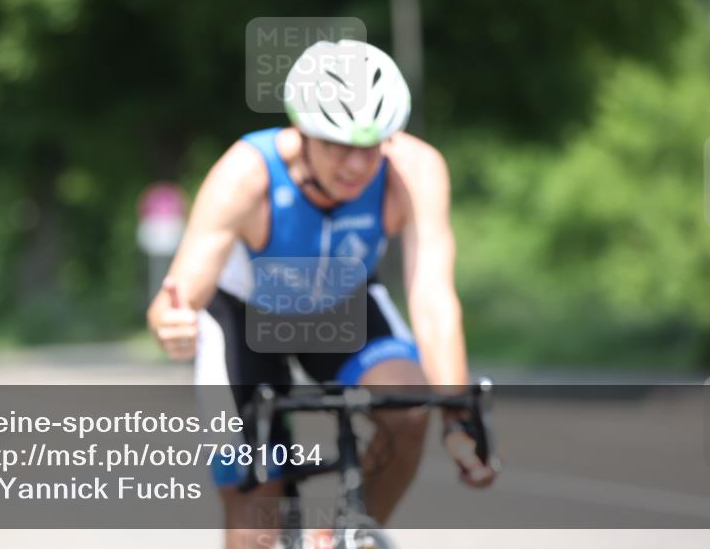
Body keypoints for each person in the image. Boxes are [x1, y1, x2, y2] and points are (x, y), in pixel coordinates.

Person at [147, 39, 497, 549]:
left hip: (343, 302)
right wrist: (171, 325)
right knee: (255, 510)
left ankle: (346, 537)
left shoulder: (414, 170)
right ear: (301, 131)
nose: (356, 166)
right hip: (244, 317)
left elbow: (432, 295)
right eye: (338, 145)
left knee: (408, 407)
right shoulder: (247, 174)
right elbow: (181, 294)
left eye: (371, 147)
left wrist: (457, 414)